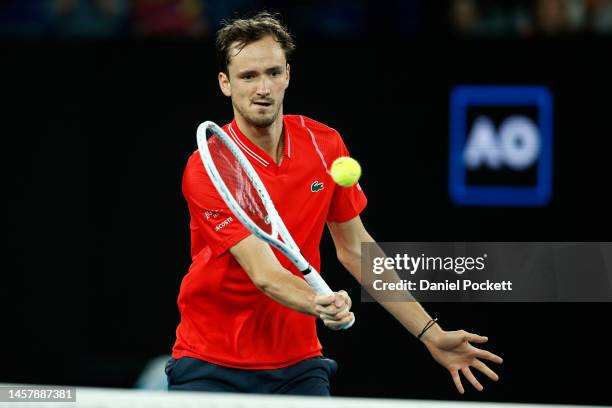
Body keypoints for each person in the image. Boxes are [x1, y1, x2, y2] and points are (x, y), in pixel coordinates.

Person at [166, 11, 503, 396]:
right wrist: (319, 301)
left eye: (273, 73)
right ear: (225, 84)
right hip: (211, 364)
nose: (263, 88)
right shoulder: (209, 166)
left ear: (288, 75)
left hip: (298, 366)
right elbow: (263, 273)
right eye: (248, 76)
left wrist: (430, 333)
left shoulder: (323, 145)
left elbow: (357, 251)